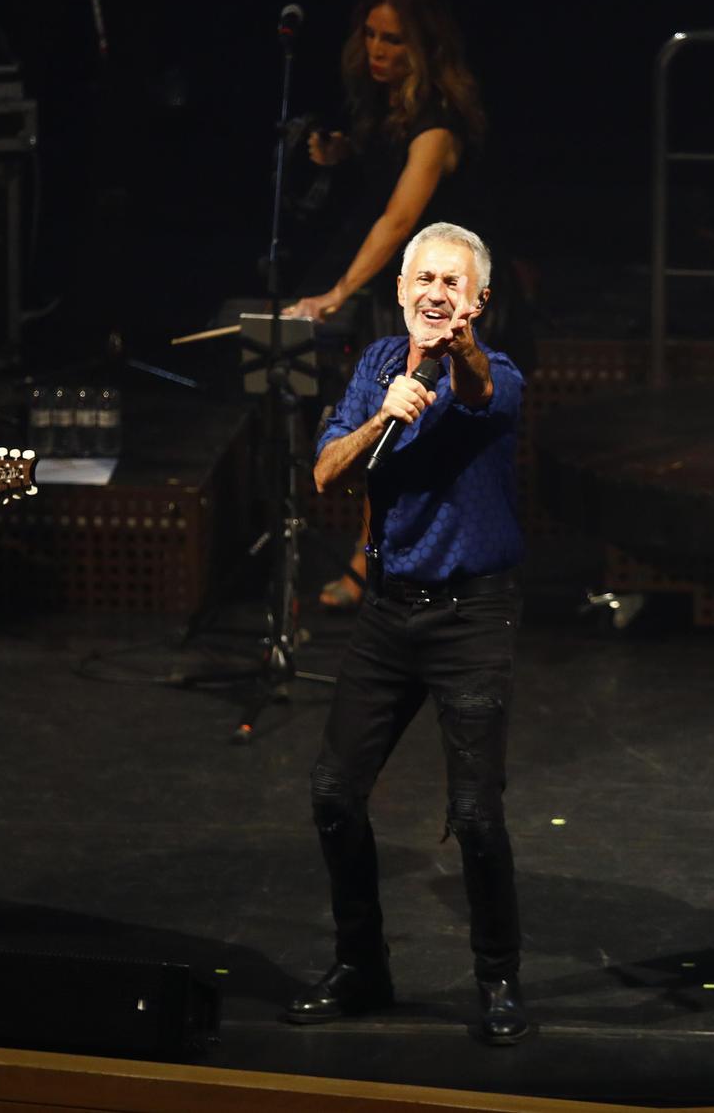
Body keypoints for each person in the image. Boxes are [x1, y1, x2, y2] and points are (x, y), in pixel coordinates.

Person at [283, 222, 530, 1045]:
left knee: (475, 815)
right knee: (331, 793)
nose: (435, 293)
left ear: (477, 302)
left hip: (473, 616)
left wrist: (450, 352)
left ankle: (497, 977)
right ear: (398, 290)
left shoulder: (497, 374)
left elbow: (477, 389)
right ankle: (362, 965)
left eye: (453, 285)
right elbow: (324, 471)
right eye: (423, 279)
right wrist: (382, 412)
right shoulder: (376, 369)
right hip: (390, 611)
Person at [281, 0, 490, 612]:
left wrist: (337, 292)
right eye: (371, 35)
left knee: (411, 435)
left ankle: (386, 561)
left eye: (394, 40)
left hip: (441, 305)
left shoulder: (437, 126)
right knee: (381, 426)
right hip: (397, 297)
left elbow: (401, 220)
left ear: (423, 47)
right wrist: (344, 150)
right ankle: (376, 556)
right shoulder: (385, 106)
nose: (378, 49)